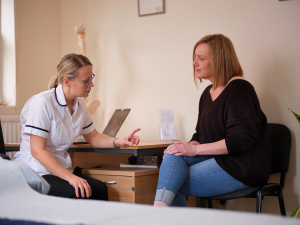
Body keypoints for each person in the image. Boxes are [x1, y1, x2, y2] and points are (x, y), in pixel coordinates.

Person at [153, 34, 272, 207]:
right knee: (173, 153)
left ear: (219, 61)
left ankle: (158, 212)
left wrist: (194, 150)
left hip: (242, 167)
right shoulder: (207, 93)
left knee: (173, 182)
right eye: (195, 57)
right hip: (216, 159)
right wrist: (183, 147)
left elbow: (239, 141)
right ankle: (160, 210)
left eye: (201, 58)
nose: (194, 63)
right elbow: (200, 135)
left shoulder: (240, 89)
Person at [13, 53, 140, 200]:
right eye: (86, 81)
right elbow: (37, 151)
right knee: (79, 192)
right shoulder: (42, 103)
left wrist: (119, 141)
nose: (91, 85)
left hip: (58, 171)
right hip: (35, 171)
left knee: (99, 189)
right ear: (66, 81)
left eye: (91, 79)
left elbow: (94, 137)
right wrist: (71, 178)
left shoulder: (79, 104)